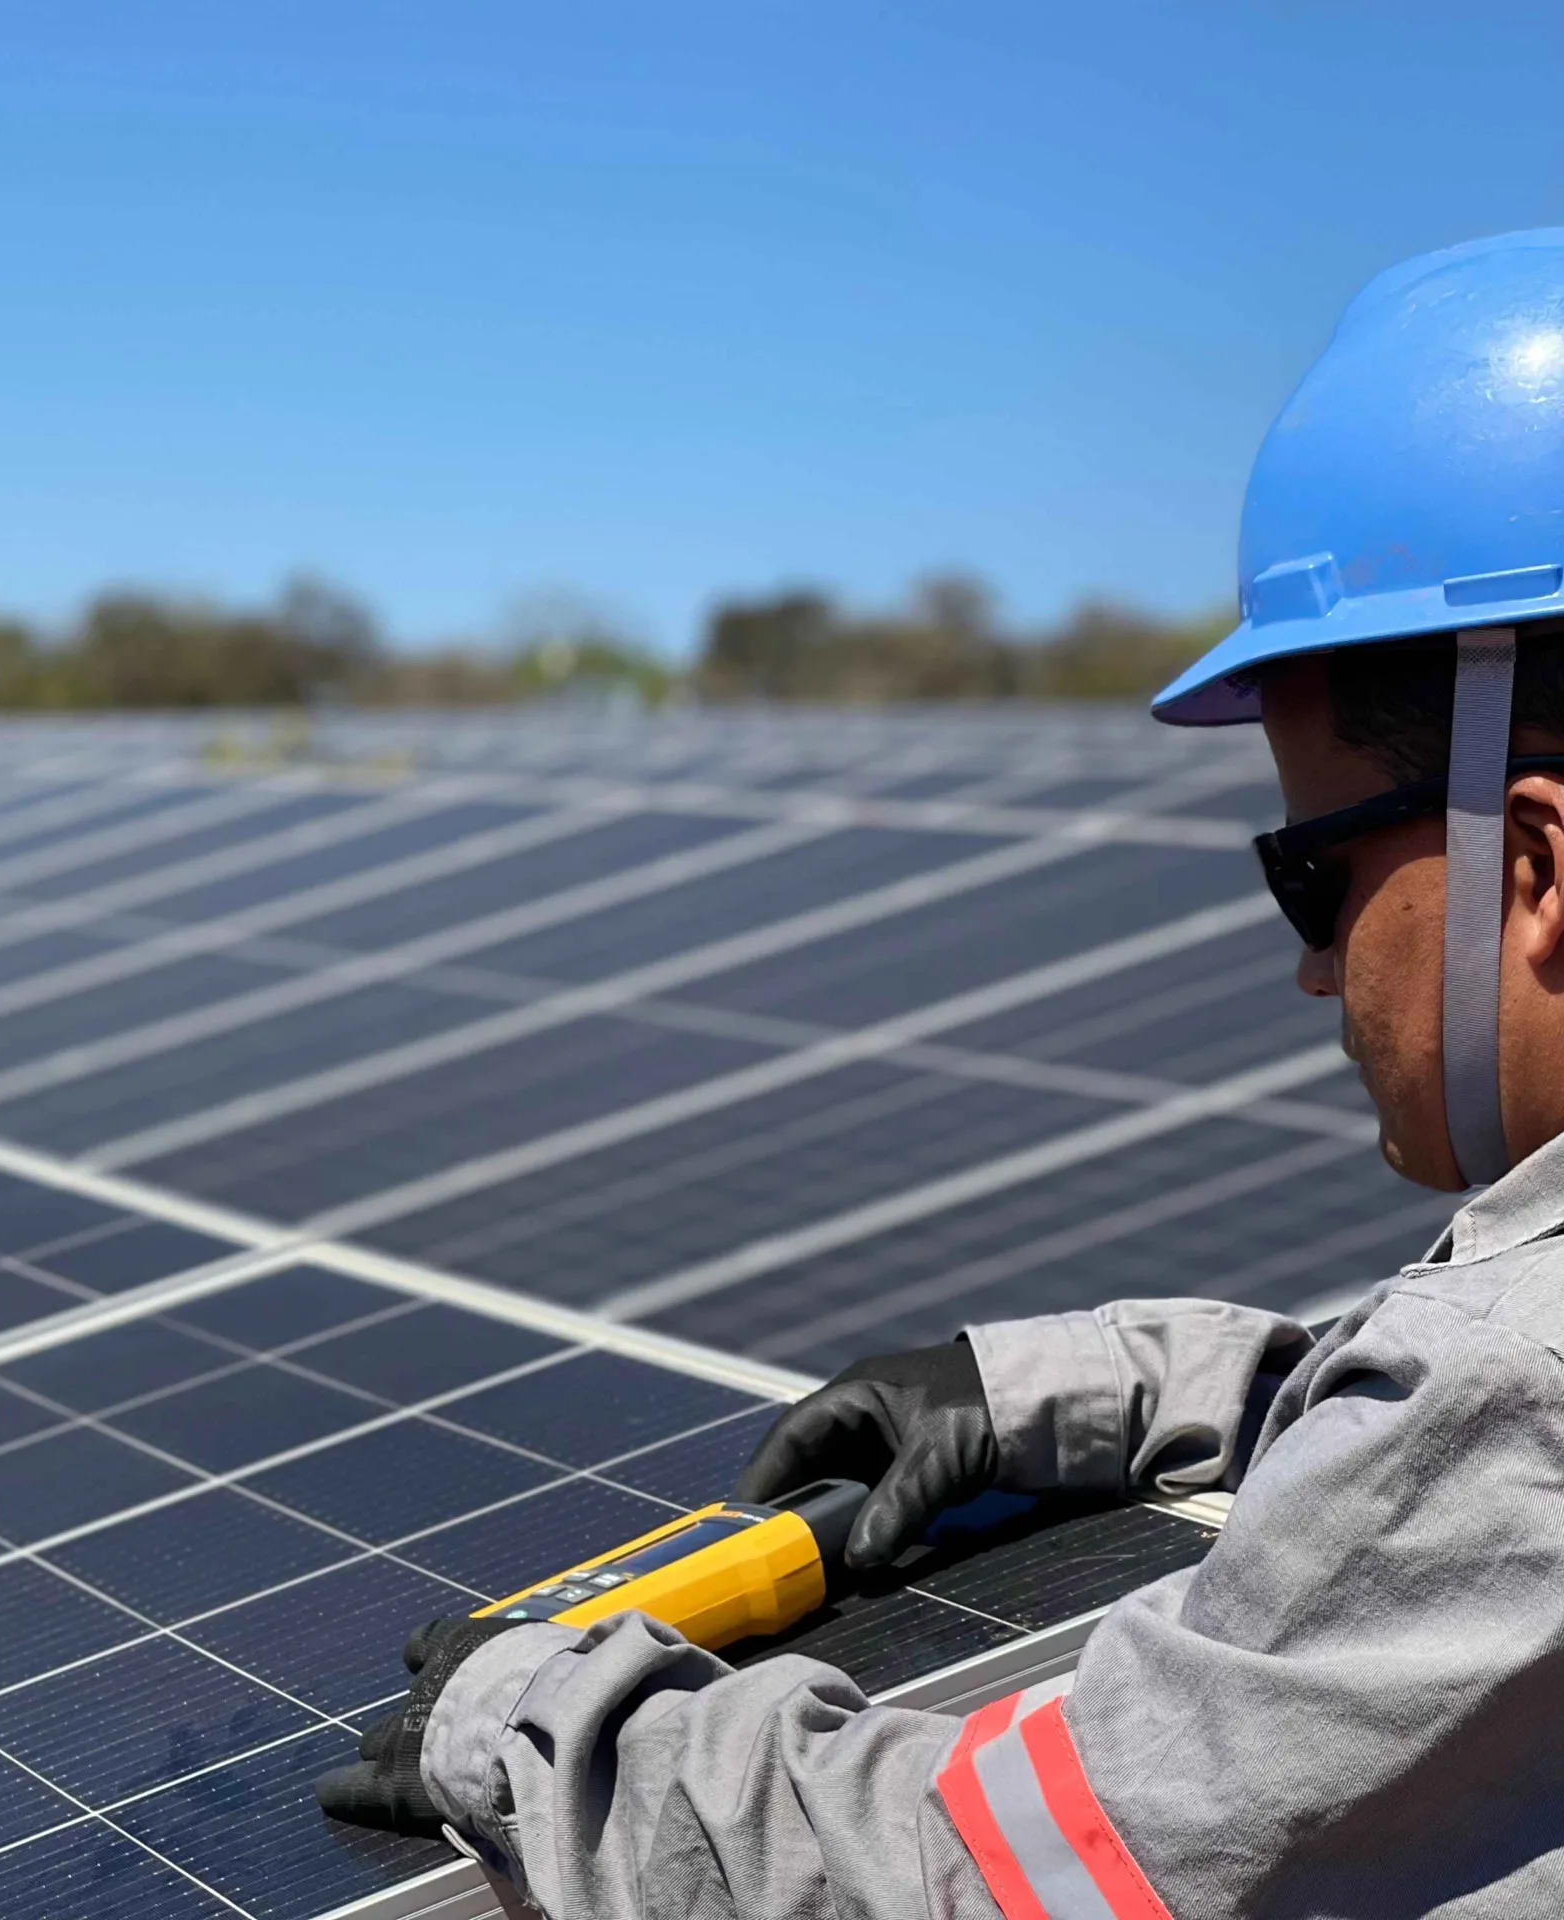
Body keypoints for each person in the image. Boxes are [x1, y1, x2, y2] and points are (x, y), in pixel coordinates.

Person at [315, 227, 1564, 1917]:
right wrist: (1088, 1389)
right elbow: (1460, 1497)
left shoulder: (1515, 1385)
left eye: (1313, 874)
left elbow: (993, 1880)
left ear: (1539, 863)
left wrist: (532, 1716)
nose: (1311, 960)